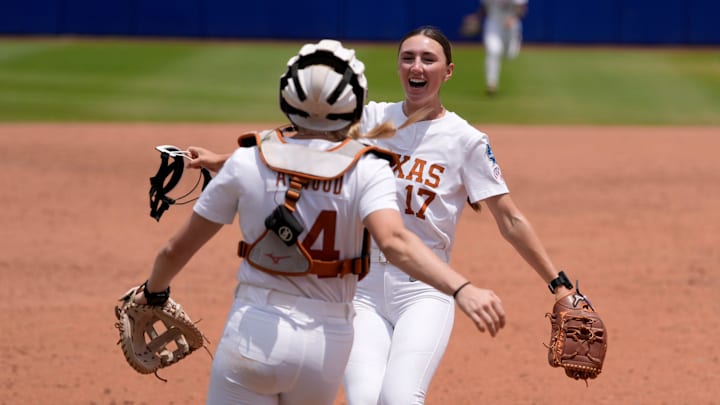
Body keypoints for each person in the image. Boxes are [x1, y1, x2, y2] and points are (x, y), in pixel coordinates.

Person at [188, 27, 574, 405]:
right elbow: (300, 134)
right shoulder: (370, 120)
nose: (416, 67)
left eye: (428, 59)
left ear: (448, 71)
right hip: (362, 286)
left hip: (424, 288)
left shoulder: (465, 140)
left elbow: (509, 219)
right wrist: (224, 160)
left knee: (399, 397)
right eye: (407, 58)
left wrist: (557, 282)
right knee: (366, 399)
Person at [477, 0, 529, 95]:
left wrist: (513, 18)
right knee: (493, 51)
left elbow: (522, 8)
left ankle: (516, 43)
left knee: (510, 55)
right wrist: (476, 17)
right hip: (493, 24)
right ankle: (491, 84)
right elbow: (485, 8)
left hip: (511, 26)